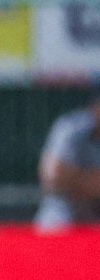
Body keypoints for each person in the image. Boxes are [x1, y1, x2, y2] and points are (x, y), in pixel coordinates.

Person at [35, 89, 100, 229]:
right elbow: (52, 179)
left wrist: (74, 178)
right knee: (55, 220)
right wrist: (90, 182)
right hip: (62, 216)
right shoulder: (71, 127)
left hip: (94, 217)